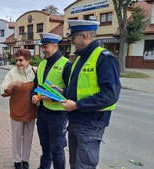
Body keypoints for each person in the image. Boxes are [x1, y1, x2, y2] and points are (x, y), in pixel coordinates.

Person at [61, 20, 121, 169]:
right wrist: (64, 92)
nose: (72, 41)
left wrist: (77, 105)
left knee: (84, 166)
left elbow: (110, 95)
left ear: (85, 36)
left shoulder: (104, 58)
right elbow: (81, 89)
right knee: (75, 164)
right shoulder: (80, 59)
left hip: (91, 124)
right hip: (76, 120)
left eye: (73, 37)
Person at [31, 33, 72, 169]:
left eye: (46, 46)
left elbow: (71, 92)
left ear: (55, 46)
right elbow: (36, 85)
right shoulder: (41, 64)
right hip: (42, 112)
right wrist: (33, 95)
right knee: (45, 145)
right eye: (42, 46)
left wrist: (54, 98)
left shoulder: (66, 64)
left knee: (57, 149)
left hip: (58, 115)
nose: (43, 49)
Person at [0, 49, 37, 169]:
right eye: (16, 60)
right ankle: (17, 160)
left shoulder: (35, 71)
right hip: (17, 112)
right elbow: (2, 89)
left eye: (21, 60)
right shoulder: (12, 73)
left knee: (28, 138)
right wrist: (11, 85)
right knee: (16, 138)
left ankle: (25, 160)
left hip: (31, 112)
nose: (18, 63)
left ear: (28, 61)